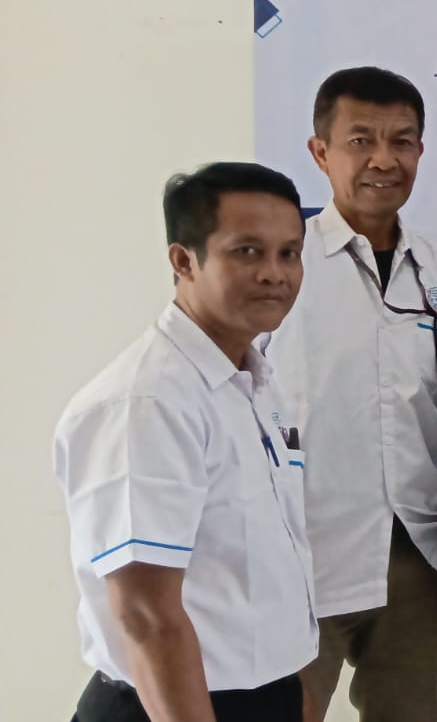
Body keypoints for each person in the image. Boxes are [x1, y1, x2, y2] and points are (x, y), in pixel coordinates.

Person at [55, 162, 316, 722]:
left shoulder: (254, 382)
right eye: (247, 252)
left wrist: (294, 689)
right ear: (183, 260)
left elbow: (266, 564)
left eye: (289, 253)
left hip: (261, 697)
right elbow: (145, 617)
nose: (274, 274)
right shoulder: (147, 404)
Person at [265, 67, 437, 722]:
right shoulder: (282, 264)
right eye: (361, 140)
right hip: (301, 548)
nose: (384, 160)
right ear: (320, 152)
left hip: (413, 548)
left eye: (402, 141)